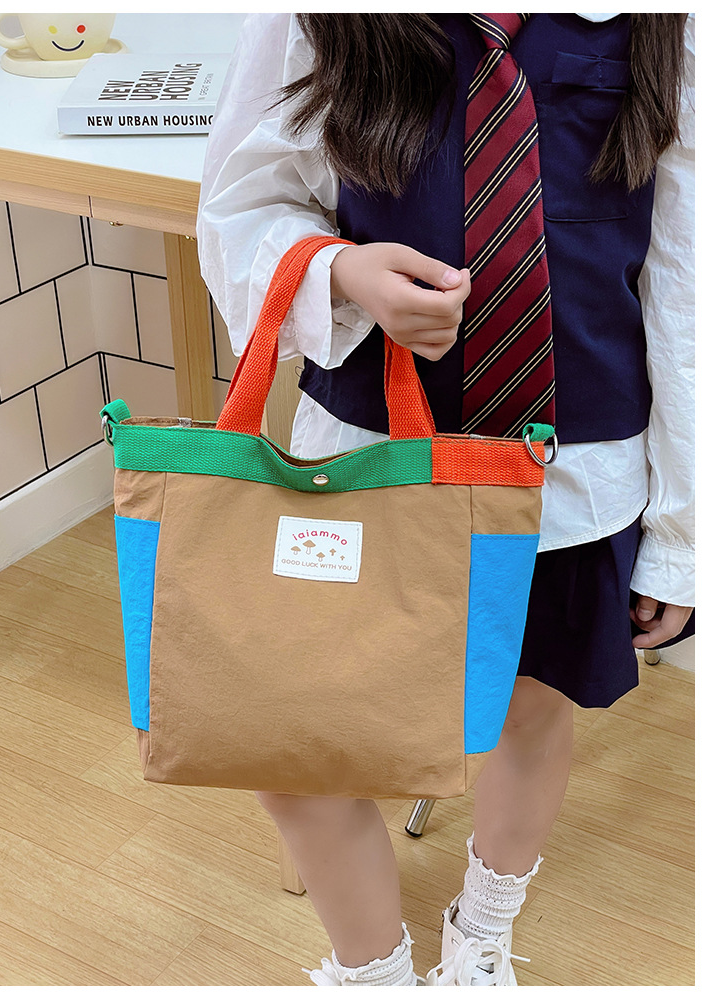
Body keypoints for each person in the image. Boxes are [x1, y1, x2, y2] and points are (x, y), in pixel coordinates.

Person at [196, 13, 695, 987]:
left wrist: (681, 534)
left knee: (530, 711)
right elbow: (243, 199)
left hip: (574, 475)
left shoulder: (665, 23)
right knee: (297, 752)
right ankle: (373, 971)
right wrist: (341, 272)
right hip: (362, 467)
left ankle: (483, 933)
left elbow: (685, 277)